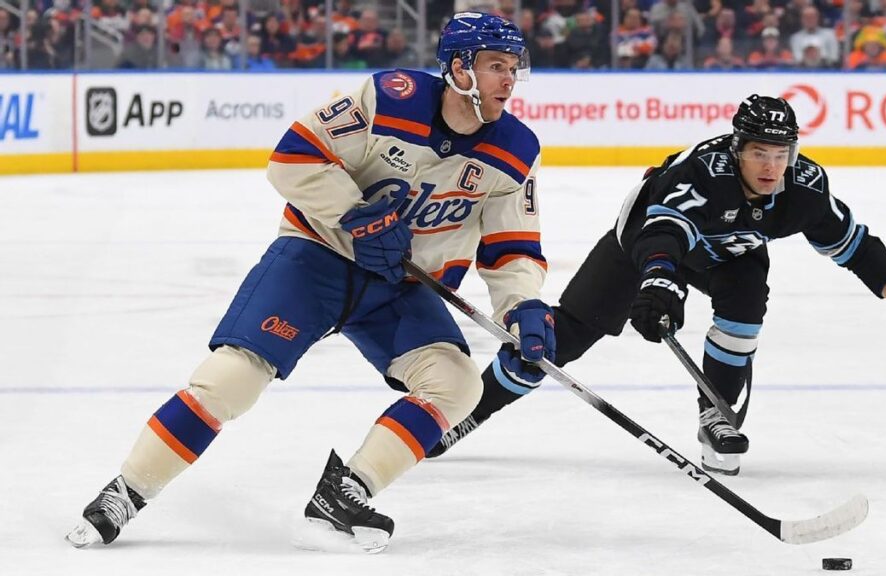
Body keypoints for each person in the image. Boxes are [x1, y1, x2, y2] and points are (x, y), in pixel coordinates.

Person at [65, 12, 553, 553]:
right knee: (231, 379)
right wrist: (357, 215)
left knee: (459, 385)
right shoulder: (389, 98)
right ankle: (127, 490)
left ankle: (346, 491)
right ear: (460, 68)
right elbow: (292, 158)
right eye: (495, 67)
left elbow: (513, 249)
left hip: (399, 286)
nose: (509, 81)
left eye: (513, 68)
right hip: (317, 256)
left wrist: (524, 306)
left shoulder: (515, 150)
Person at [429, 95, 886, 476]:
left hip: (729, 256)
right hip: (640, 244)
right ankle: (468, 411)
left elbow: (852, 243)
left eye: (781, 154)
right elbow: (662, 233)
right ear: (737, 148)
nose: (770, 165)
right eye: (759, 151)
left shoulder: (804, 188)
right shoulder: (700, 174)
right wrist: (662, 283)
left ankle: (716, 413)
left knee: (745, 303)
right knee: (560, 340)